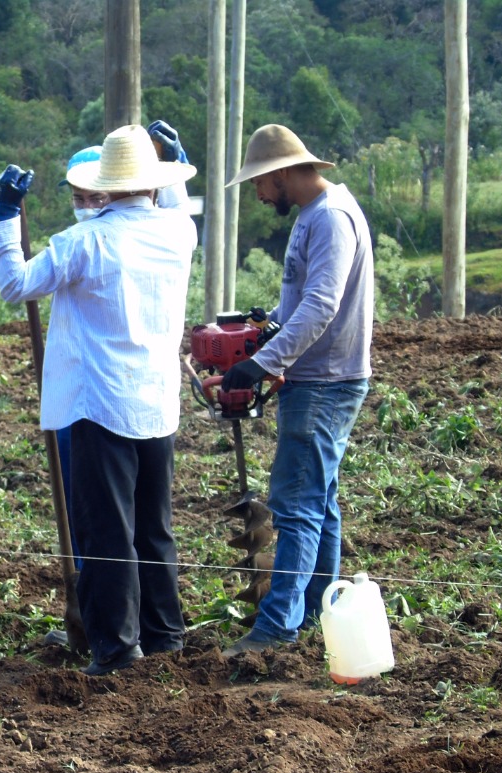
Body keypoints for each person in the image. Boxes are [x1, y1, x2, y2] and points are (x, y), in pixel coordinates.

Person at [0, 124, 197, 675]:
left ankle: (117, 650)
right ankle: (164, 635)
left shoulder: (86, 241)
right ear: (151, 183)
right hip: (154, 403)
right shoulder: (178, 233)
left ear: (104, 186)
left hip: (100, 404)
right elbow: (175, 205)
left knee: (106, 533)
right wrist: (174, 158)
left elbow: (16, 285)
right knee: (153, 526)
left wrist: (5, 216)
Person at [218, 124, 374, 658]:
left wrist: (263, 362)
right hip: (319, 376)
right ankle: (312, 612)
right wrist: (267, 331)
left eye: (259, 184)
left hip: (324, 382)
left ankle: (275, 628)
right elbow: (300, 303)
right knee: (320, 502)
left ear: (281, 174)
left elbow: (322, 305)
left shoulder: (329, 218)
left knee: (295, 503)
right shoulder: (317, 215)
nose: (259, 195)